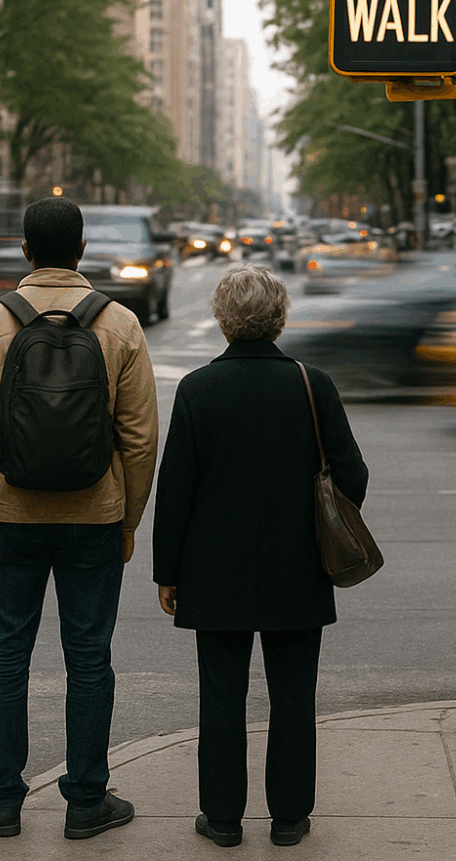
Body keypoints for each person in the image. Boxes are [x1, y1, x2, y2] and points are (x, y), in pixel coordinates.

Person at [0, 196, 158, 841]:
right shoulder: (118, 323)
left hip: (10, 511)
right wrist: (127, 521)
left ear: (25, 251)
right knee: (89, 658)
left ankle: (4, 799)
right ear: (83, 252)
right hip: (94, 514)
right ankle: (86, 801)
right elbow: (141, 438)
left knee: (7, 653)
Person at [153, 264, 369, 849]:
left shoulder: (197, 388)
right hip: (298, 566)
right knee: (294, 695)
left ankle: (222, 817)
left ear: (223, 318)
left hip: (212, 569)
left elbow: (175, 490)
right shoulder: (312, 383)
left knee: (220, 696)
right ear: (279, 317)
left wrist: (167, 573)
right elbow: (352, 473)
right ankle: (290, 817)